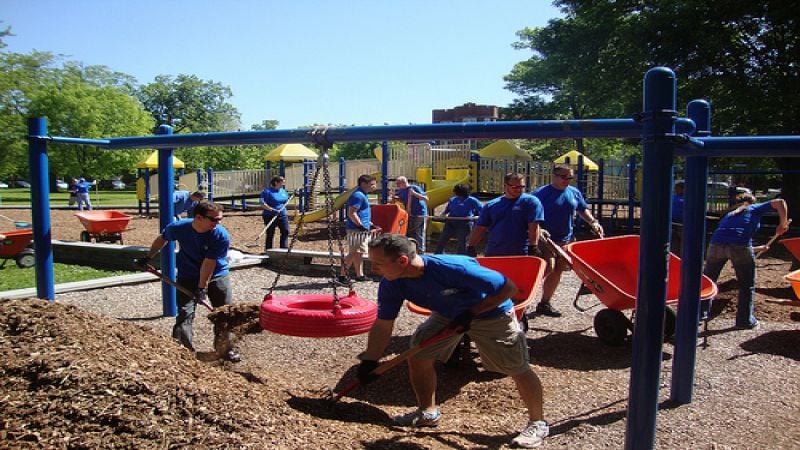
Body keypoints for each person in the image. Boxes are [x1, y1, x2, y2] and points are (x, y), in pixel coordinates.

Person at [356, 234, 549, 448]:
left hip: (491, 314)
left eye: (378, 263)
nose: (374, 269)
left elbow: (509, 288)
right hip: (447, 314)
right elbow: (384, 324)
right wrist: (370, 360)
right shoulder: (392, 283)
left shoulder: (453, 268)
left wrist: (472, 312)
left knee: (516, 366)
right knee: (419, 355)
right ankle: (427, 412)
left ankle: (538, 423)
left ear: (402, 261)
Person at [135, 200, 240, 362]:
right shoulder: (179, 228)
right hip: (188, 275)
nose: (218, 223)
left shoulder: (220, 235)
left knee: (224, 313)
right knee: (185, 312)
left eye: (220, 219)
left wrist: (202, 287)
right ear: (198, 217)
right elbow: (162, 238)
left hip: (217, 275)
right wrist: (148, 257)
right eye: (214, 219)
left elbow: (209, 263)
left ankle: (226, 349)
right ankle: (182, 351)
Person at [702, 193, 790, 329]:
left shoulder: (730, 214)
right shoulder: (753, 207)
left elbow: (729, 244)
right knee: (746, 285)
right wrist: (783, 224)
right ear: (752, 201)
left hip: (715, 245)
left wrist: (758, 248)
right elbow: (780, 201)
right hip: (739, 246)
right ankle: (744, 321)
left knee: (708, 281)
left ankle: (700, 314)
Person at [532, 164, 603, 318]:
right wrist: (538, 230)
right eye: (564, 177)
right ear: (554, 176)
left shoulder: (573, 192)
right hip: (546, 239)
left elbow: (582, 209)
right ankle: (522, 297)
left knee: (558, 270)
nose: (567, 180)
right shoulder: (540, 194)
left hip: (565, 238)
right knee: (547, 268)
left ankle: (544, 303)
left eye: (570, 177)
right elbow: (529, 214)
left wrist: (593, 222)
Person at [466, 173, 544, 258]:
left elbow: (534, 225)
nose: (519, 190)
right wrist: (471, 246)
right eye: (515, 187)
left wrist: (533, 246)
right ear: (505, 186)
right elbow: (480, 227)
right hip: (494, 252)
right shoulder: (491, 205)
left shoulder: (530, 202)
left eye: (522, 187)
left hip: (521, 252)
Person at [340, 173, 379, 283]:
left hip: (360, 229)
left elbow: (362, 213)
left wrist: (370, 224)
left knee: (359, 253)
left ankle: (359, 275)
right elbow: (352, 213)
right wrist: (360, 225)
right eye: (372, 184)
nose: (374, 186)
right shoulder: (358, 195)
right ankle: (342, 276)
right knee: (353, 253)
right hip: (356, 230)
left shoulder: (363, 194)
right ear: (363, 184)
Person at [433, 183, 483, 255]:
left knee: (462, 242)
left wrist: (478, 217)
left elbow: (483, 210)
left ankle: (461, 256)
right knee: (442, 239)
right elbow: (447, 209)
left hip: (464, 223)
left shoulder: (472, 200)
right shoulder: (453, 200)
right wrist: (443, 214)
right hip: (451, 222)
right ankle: (438, 254)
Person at [393, 176, 429, 253]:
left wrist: (414, 193)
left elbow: (425, 198)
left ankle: (421, 251)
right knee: (410, 232)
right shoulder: (401, 191)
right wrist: (395, 197)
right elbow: (401, 199)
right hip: (409, 214)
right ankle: (412, 249)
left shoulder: (414, 188)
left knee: (418, 232)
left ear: (403, 182)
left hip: (420, 213)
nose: (397, 185)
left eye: (398, 183)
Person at [259, 176, 291, 251]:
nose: (283, 184)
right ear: (276, 183)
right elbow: (262, 204)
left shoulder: (282, 191)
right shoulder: (267, 192)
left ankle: (284, 249)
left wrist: (293, 195)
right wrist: (272, 210)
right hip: (270, 215)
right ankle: (269, 250)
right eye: (282, 182)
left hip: (282, 215)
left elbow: (287, 199)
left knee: (285, 231)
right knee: (270, 233)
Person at [670, 181, 685, 256]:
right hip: (672, 221)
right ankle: (674, 253)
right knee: (673, 239)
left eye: (678, 188)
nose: (676, 190)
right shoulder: (673, 197)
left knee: (682, 239)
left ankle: (682, 254)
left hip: (681, 222)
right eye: (676, 188)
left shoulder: (686, 198)